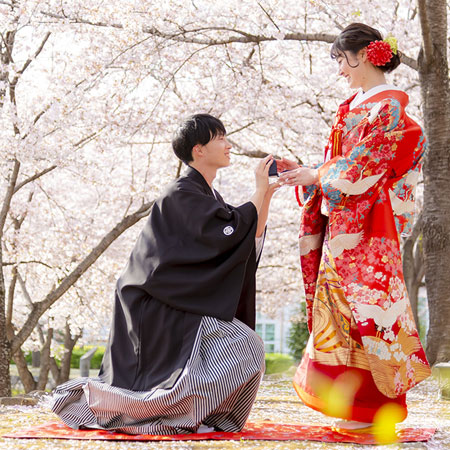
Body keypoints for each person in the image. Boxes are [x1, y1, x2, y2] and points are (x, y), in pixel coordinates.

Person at [52, 113, 279, 435]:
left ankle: (196, 415)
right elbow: (230, 232)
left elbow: (240, 232)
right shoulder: (181, 193)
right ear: (199, 149)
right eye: (220, 138)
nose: (229, 144)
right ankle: (169, 415)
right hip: (155, 303)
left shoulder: (203, 195)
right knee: (243, 344)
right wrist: (259, 189)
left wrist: (267, 193)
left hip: (176, 298)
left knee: (245, 345)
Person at [278, 23, 431, 432]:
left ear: (362, 55)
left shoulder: (390, 107)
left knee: (370, 312)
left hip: (369, 224)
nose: (340, 70)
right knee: (339, 316)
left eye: (341, 60)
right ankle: (349, 407)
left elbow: (368, 166)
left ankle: (371, 411)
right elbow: (341, 162)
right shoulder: (353, 106)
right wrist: (309, 173)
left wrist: (317, 174)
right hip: (343, 221)